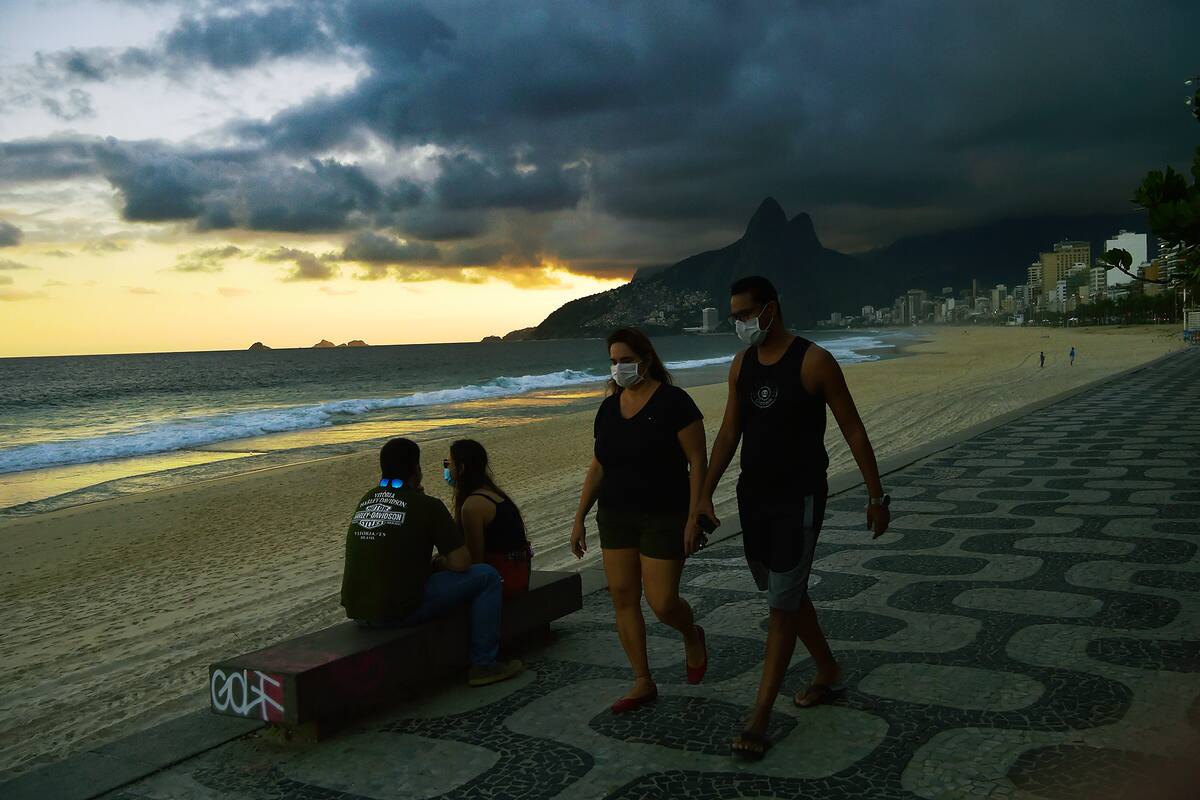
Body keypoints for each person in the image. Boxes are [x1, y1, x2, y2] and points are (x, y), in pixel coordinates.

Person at [696, 276, 891, 761]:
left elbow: (853, 429)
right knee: (785, 589)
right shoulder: (741, 365)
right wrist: (703, 494)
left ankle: (760, 715)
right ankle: (826, 669)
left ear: (771, 309)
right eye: (734, 316)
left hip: (799, 499)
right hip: (753, 498)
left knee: (781, 605)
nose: (740, 323)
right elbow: (726, 436)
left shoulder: (814, 362)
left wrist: (875, 495)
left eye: (745, 313)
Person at [570, 327, 710, 713]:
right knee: (623, 597)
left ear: (645, 360)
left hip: (665, 514)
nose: (619, 368)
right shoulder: (607, 409)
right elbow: (598, 465)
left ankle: (690, 632)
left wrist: (695, 512)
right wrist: (579, 516)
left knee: (662, 602)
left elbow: (698, 460)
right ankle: (642, 680)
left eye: (626, 360)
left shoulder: (674, 402)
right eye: (613, 361)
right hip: (615, 515)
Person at [340, 437, 524, 687]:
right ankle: (484, 665)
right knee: (487, 576)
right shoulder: (426, 505)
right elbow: (462, 563)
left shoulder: (367, 500)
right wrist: (439, 563)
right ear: (416, 469)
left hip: (357, 610)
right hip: (397, 612)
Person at [445, 438, 533, 600]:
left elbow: (475, 562)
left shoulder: (473, 505)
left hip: (502, 582)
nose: (447, 469)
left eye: (448, 464)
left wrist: (442, 562)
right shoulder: (494, 494)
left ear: (461, 468)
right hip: (519, 574)